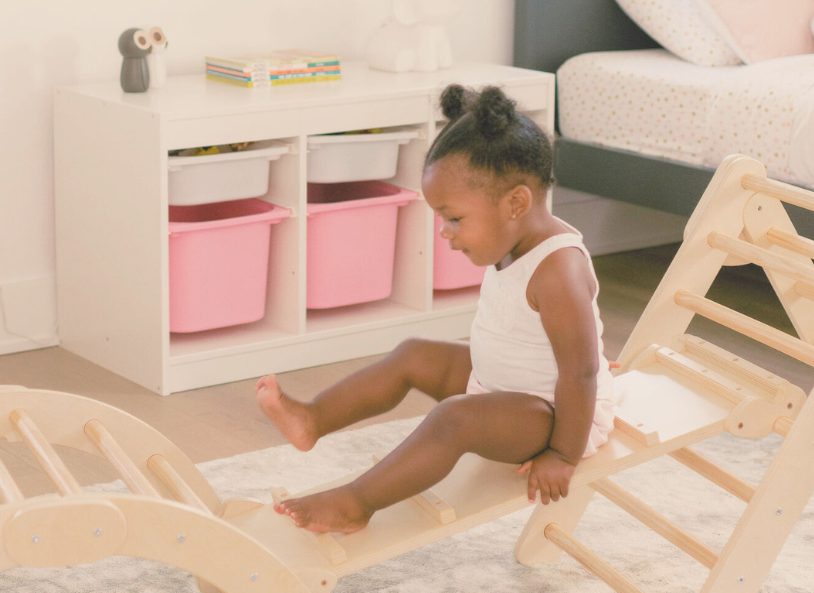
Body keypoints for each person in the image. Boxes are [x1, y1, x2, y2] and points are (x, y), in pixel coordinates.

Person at [256, 84, 615, 534]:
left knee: (453, 418)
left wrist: (562, 456)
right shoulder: (515, 239)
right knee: (414, 354)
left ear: (516, 203)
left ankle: (355, 504)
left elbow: (580, 373)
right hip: (499, 386)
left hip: (553, 417)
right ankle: (312, 418)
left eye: (455, 218)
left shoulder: (558, 270)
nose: (445, 232)